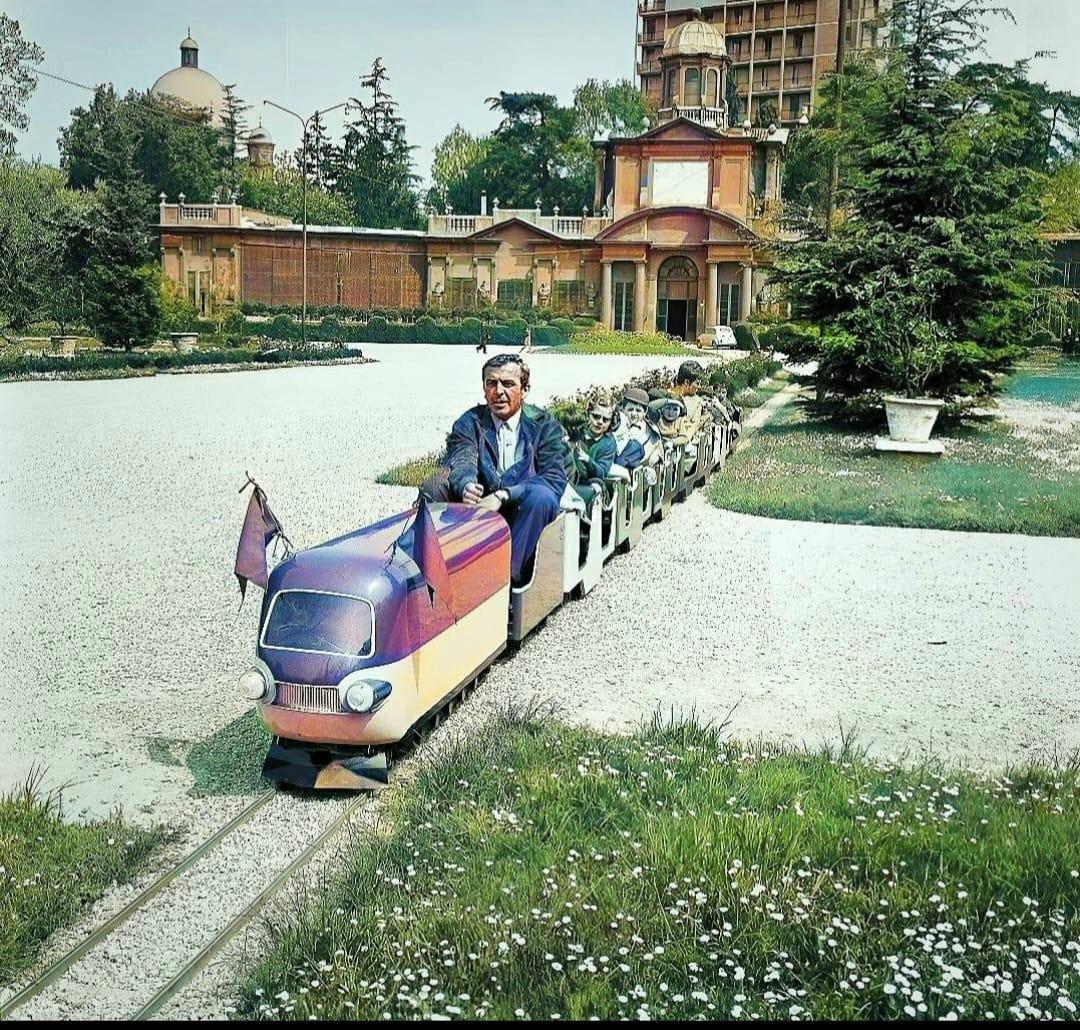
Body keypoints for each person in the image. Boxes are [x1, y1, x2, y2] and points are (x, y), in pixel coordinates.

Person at [420, 354, 566, 584]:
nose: (498, 392)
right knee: (434, 485)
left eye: (508, 384)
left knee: (543, 496)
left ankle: (506, 582)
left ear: (524, 389)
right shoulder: (470, 421)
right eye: (492, 383)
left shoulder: (545, 426)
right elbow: (462, 456)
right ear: (484, 388)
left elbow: (554, 477)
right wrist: (466, 484)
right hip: (479, 504)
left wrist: (505, 494)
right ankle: (430, 570)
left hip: (524, 508)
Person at [569, 399, 617, 507]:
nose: (600, 422)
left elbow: (602, 473)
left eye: (605, 420)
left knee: (595, 488)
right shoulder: (576, 432)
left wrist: (587, 460)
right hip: (569, 479)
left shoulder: (609, 443)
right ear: (588, 415)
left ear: (611, 422)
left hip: (591, 482)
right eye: (596, 416)